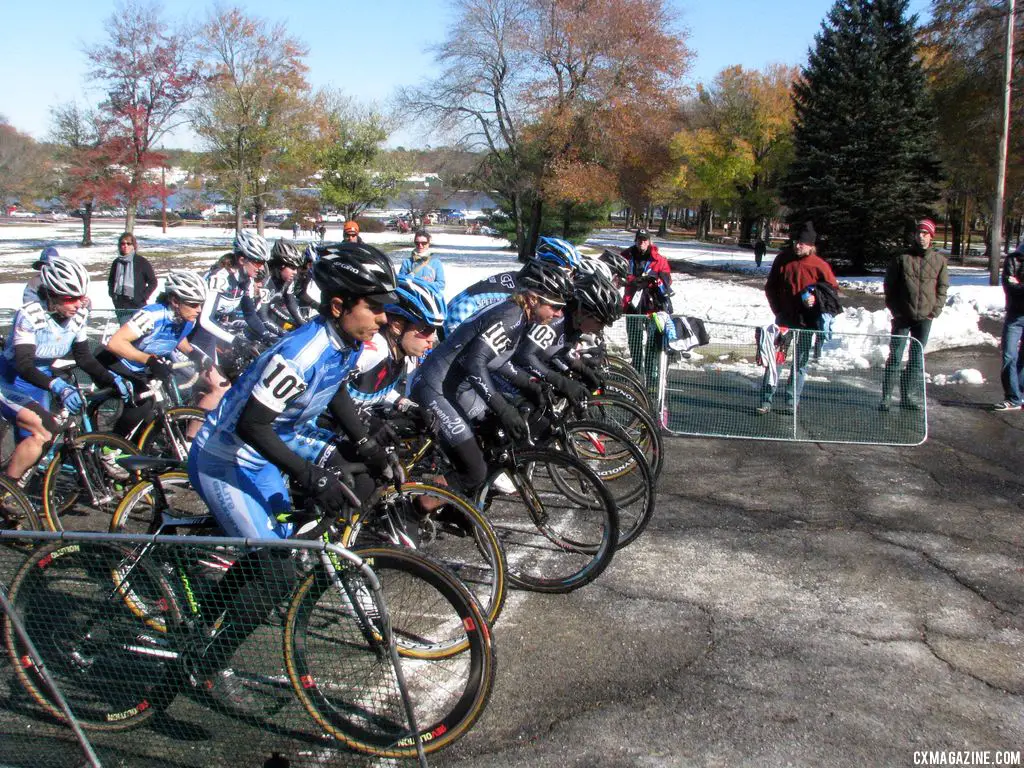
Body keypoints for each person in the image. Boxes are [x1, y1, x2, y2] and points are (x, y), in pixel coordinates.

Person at [184, 241, 400, 710]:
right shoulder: (304, 350)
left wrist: (363, 443)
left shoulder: (346, 340)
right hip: (229, 455)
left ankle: (243, 575)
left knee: (360, 478)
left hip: (278, 439)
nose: (384, 318)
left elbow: (337, 389)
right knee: (277, 574)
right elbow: (251, 424)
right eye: (376, 307)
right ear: (340, 305)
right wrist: (308, 474)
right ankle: (200, 665)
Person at [410, 260, 572, 495]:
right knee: (474, 470)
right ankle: (414, 512)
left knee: (493, 437)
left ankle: (464, 504)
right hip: (435, 387)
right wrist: (501, 406)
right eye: (555, 306)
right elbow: (474, 364)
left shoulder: (518, 315)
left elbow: (498, 361)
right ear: (534, 298)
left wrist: (531, 385)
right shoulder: (510, 316)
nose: (558, 313)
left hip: (456, 386)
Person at [0, 257, 131, 482]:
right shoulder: (30, 314)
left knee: (40, 439)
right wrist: (58, 386)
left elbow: (84, 357)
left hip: (38, 380)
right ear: (51, 295)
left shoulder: (78, 315)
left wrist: (112, 379)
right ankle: (6, 495)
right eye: (70, 298)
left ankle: (17, 486)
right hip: (10, 379)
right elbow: (24, 364)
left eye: (81, 297)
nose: (78, 304)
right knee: (43, 431)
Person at [101, 270, 210, 437]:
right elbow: (115, 343)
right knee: (143, 405)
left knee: (159, 410)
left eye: (201, 304)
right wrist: (149, 360)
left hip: (142, 367)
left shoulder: (188, 319)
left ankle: (137, 448)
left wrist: (192, 353)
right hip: (117, 361)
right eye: (194, 304)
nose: (199, 309)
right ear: (175, 300)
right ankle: (109, 449)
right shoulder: (152, 315)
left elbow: (176, 339)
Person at [759, 221, 838, 414]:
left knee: (800, 363)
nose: (797, 245)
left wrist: (816, 299)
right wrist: (778, 311)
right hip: (785, 320)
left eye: (802, 243)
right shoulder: (783, 260)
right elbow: (770, 287)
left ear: (811, 245)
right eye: (795, 241)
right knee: (775, 360)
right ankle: (766, 400)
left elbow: (832, 292)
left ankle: (791, 400)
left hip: (807, 322)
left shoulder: (820, 265)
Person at [443, 235, 580, 336]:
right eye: (569, 272)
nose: (572, 277)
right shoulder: (525, 288)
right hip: (460, 314)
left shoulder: (526, 281)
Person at [880, 218, 948, 411]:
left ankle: (908, 397)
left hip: (924, 318)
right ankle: (886, 397)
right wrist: (896, 309)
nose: (921, 236)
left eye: (925, 233)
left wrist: (935, 311)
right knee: (895, 356)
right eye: (919, 233)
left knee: (916, 359)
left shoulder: (939, 261)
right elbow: (889, 286)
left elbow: (942, 288)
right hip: (903, 316)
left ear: (931, 236)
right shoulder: (902, 259)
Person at [620, 229, 673, 390]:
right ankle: (636, 376)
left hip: (653, 308)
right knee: (635, 343)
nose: (641, 242)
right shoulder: (626, 256)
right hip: (633, 307)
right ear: (635, 240)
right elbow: (618, 276)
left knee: (652, 345)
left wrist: (653, 280)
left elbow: (668, 280)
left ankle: (651, 380)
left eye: (644, 240)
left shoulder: (659, 259)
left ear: (649, 241)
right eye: (639, 239)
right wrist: (633, 281)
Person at [994, 242, 1024, 411]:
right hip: (1015, 316)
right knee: (1008, 355)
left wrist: (1019, 284)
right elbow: (1009, 286)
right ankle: (1012, 397)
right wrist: (1016, 285)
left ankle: (1019, 394)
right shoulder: (1013, 260)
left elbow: (1015, 285)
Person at [107, 232, 158, 320]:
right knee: (125, 332)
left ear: (133, 245)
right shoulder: (116, 262)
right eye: (123, 243)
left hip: (137, 306)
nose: (125, 246)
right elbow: (111, 281)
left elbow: (153, 282)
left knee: (139, 333)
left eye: (128, 243)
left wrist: (143, 296)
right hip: (121, 307)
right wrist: (113, 295)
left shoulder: (141, 262)